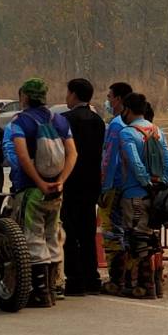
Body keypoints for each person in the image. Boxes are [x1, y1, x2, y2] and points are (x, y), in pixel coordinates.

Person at [2, 78, 77, 307]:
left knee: (33, 236)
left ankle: (41, 292)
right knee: (52, 234)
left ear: (24, 96)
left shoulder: (19, 121)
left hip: (31, 190)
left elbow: (22, 157)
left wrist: (39, 183)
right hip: (57, 190)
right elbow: (73, 153)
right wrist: (61, 181)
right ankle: (54, 288)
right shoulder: (60, 120)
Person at [108, 92, 168, 297]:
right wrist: (161, 183)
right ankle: (155, 283)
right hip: (155, 194)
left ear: (127, 109)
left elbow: (133, 161)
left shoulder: (127, 133)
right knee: (151, 238)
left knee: (136, 239)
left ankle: (143, 286)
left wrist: (144, 182)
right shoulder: (157, 131)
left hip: (134, 193)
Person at [62, 77, 105, 295]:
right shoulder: (98, 121)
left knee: (69, 232)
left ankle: (75, 280)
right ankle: (92, 277)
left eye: (68, 93)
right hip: (91, 183)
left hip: (69, 182)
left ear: (74, 94)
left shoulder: (64, 120)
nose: (66, 97)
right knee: (87, 232)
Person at [98, 81, 134, 293]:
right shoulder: (141, 124)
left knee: (112, 232)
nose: (108, 101)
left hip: (115, 185)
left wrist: (104, 186)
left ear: (119, 99)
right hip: (132, 187)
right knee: (130, 232)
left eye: (110, 97)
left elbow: (109, 159)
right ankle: (130, 277)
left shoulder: (116, 125)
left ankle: (116, 278)